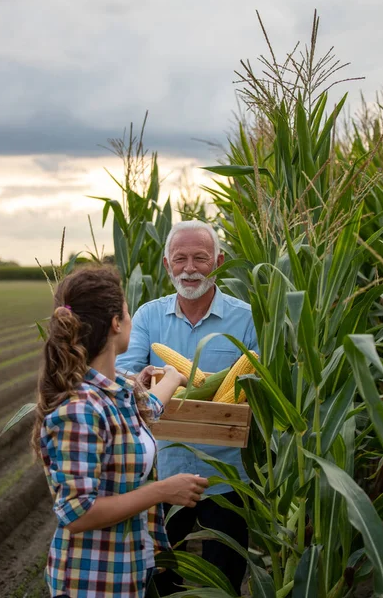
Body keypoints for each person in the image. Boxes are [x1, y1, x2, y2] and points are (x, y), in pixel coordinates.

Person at [31, 264, 209, 598]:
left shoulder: (115, 391)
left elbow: (142, 416)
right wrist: (162, 491)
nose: (130, 320)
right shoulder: (81, 409)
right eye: (127, 313)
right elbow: (77, 512)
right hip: (92, 579)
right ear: (116, 324)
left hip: (126, 569)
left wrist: (172, 377)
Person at [116, 221, 259, 595]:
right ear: (166, 264)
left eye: (200, 258)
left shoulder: (247, 317)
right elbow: (124, 372)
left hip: (227, 478)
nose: (189, 268)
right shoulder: (148, 316)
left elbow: (264, 380)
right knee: (158, 582)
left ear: (220, 261)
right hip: (163, 473)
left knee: (225, 581)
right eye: (180, 259)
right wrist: (141, 377)